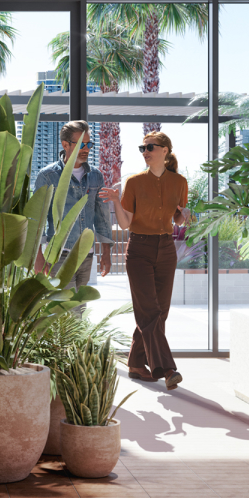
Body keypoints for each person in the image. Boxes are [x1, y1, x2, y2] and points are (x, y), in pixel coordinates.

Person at [101, 132, 189, 389]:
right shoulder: (134, 182)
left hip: (166, 248)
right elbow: (126, 222)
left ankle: (137, 364)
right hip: (139, 248)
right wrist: (117, 201)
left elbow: (177, 220)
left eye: (150, 147)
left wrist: (186, 216)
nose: (145, 151)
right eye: (142, 148)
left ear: (165, 151)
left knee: (160, 311)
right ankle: (167, 368)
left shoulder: (180, 182)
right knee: (148, 311)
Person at [33, 120, 113, 289]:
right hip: (58, 255)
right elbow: (37, 218)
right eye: (81, 144)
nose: (86, 149)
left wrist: (106, 251)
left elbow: (102, 217)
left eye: (89, 143)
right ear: (65, 144)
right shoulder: (48, 176)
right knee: (64, 309)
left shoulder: (95, 176)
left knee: (80, 308)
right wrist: (38, 256)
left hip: (87, 254)